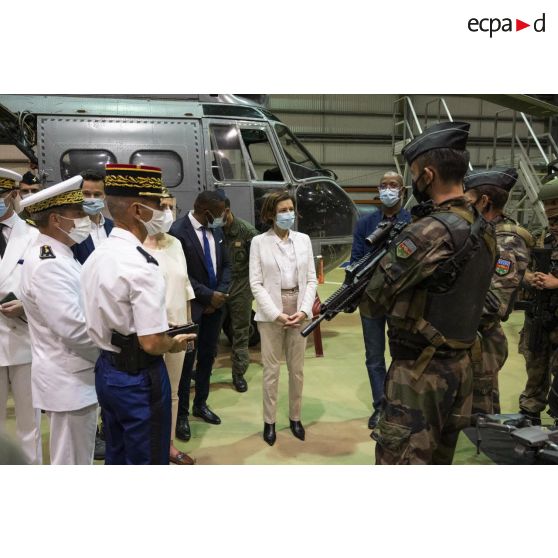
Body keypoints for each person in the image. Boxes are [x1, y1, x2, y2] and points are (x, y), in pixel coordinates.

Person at [364, 121, 497, 465]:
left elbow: (373, 299)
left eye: (413, 174)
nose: (411, 183)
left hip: (420, 376)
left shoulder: (428, 231)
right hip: (460, 367)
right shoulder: (483, 227)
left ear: (429, 174)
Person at [81, 164, 194, 465]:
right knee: (148, 458)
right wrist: (174, 342)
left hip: (107, 369)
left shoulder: (98, 254)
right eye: (157, 204)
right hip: (139, 378)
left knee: (117, 455)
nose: (163, 211)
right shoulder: (141, 265)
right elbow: (152, 343)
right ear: (137, 210)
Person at [19, 175, 99, 464]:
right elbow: (74, 329)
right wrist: (110, 353)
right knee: (71, 460)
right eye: (77, 214)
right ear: (56, 219)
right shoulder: (49, 264)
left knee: (76, 456)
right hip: (70, 379)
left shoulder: (60, 255)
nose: (84, 218)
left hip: (74, 377)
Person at [249, 190, 317, 446]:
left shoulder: (304, 240)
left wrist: (303, 309)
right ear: (270, 214)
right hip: (270, 313)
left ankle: (295, 417)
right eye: (282, 211)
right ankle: (269, 422)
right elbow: (256, 283)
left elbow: (311, 279)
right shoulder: (259, 243)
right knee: (271, 370)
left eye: (290, 209)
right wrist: (276, 314)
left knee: (297, 370)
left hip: (299, 307)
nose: (288, 214)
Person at [463, 167, 533, 414]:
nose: (464, 205)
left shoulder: (507, 241)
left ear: (484, 202)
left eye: (469, 200)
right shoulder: (479, 234)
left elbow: (495, 302)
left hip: (483, 341)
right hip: (467, 335)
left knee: (482, 413)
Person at [350, 171, 411, 429]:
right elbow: (356, 259)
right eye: (384, 185)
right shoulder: (366, 223)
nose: (388, 189)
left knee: (404, 355)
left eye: (393, 185)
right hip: (371, 301)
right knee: (374, 357)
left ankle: (402, 405)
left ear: (403, 191)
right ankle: (381, 407)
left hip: (402, 301)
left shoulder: (413, 222)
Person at [169, 190, 231, 442]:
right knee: (187, 363)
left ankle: (201, 404)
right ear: (206, 211)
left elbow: (226, 265)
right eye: (219, 213)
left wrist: (220, 293)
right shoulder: (177, 232)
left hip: (216, 308)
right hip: (191, 309)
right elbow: (180, 273)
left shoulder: (215, 230)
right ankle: (181, 414)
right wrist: (207, 296)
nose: (223, 217)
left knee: (208, 358)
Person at [143, 190, 196, 465]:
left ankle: (168, 443)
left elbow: (184, 287)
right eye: (160, 206)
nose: (166, 212)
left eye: (170, 207)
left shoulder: (175, 243)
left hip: (177, 330)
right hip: (146, 334)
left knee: (173, 392)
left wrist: (187, 331)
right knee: (145, 393)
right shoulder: (134, 246)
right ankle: (147, 446)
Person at [0, 167, 42, 465]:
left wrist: (26, 305)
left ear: (13, 194)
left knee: (30, 423)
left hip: (24, 338)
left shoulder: (33, 235)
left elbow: (45, 285)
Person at [517, 181, 558, 424]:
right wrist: (530, 278)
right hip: (540, 319)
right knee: (535, 370)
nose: (554, 224)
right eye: (551, 218)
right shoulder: (542, 239)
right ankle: (529, 414)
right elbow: (519, 270)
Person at [221, 195, 258, 393]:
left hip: (241, 288)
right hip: (219, 288)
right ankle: (203, 372)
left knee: (241, 332)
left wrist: (253, 290)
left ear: (227, 210)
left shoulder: (246, 232)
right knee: (209, 333)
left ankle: (238, 373)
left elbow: (258, 263)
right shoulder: (213, 230)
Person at [71, 169, 113, 264]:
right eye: (86, 194)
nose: (92, 198)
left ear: (104, 196)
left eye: (97, 194)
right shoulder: (71, 228)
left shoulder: (113, 227)